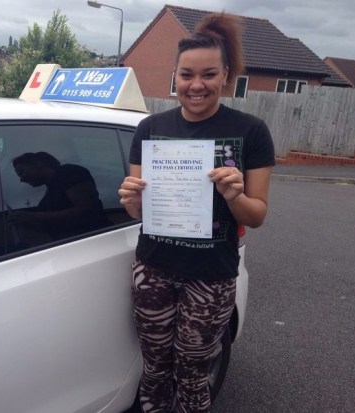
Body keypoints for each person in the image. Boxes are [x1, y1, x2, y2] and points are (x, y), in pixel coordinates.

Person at [118, 12, 275, 413]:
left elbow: (256, 215)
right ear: (175, 77)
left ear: (225, 75)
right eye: (187, 75)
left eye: (208, 74)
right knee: (154, 368)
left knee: (191, 371)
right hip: (153, 267)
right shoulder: (150, 129)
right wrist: (131, 199)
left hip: (211, 275)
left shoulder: (251, 131)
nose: (197, 85)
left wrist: (233, 196)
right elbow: (141, 211)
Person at [10, 151, 105, 239]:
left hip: (89, 241)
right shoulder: (51, 188)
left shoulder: (68, 172)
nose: (21, 180)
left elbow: (86, 211)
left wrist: (34, 216)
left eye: (21, 173)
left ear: (37, 164)